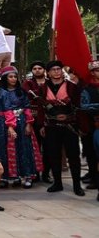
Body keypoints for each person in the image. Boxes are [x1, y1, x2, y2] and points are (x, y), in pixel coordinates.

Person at [39, 60, 84, 196]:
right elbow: (41, 108)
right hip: (51, 126)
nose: (56, 72)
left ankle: (77, 185)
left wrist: (71, 118)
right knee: (54, 155)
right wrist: (41, 124)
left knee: (74, 155)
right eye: (53, 70)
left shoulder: (72, 86)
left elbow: (79, 106)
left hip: (69, 126)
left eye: (58, 69)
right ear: (48, 72)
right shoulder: (43, 88)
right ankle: (57, 183)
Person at [0, 66, 41, 189]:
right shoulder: (1, 92)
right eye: (10, 77)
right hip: (8, 123)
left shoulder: (21, 91)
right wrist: (10, 125)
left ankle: (28, 175)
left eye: (15, 76)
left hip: (22, 121)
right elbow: (4, 109)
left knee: (25, 148)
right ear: (5, 78)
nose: (13, 79)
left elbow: (27, 107)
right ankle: (15, 175)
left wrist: (29, 123)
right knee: (11, 149)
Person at [23, 60, 51, 183]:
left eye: (40, 68)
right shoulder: (27, 84)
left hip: (49, 119)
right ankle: (35, 173)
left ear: (44, 70)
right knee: (34, 148)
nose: (37, 70)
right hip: (32, 119)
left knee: (49, 148)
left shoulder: (51, 83)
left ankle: (46, 174)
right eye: (34, 68)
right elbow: (25, 99)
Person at [80, 60, 99, 199]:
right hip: (94, 126)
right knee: (94, 155)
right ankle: (95, 179)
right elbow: (85, 106)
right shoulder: (87, 89)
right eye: (95, 70)